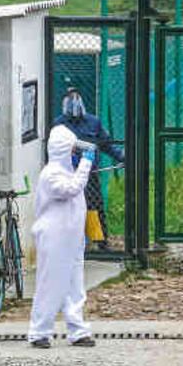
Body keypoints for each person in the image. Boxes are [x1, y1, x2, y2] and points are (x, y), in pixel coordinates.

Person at [27, 125, 98, 349]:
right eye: (73, 149)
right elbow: (71, 189)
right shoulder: (51, 174)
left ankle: (78, 330)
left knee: (74, 285)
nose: (76, 153)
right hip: (54, 237)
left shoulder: (66, 171)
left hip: (72, 236)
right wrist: (86, 163)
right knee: (51, 284)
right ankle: (39, 331)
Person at [52, 87, 124, 250]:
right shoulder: (59, 124)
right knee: (67, 208)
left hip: (90, 174)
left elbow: (106, 144)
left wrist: (122, 157)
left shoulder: (93, 122)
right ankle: (68, 242)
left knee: (93, 206)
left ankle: (100, 241)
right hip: (68, 175)